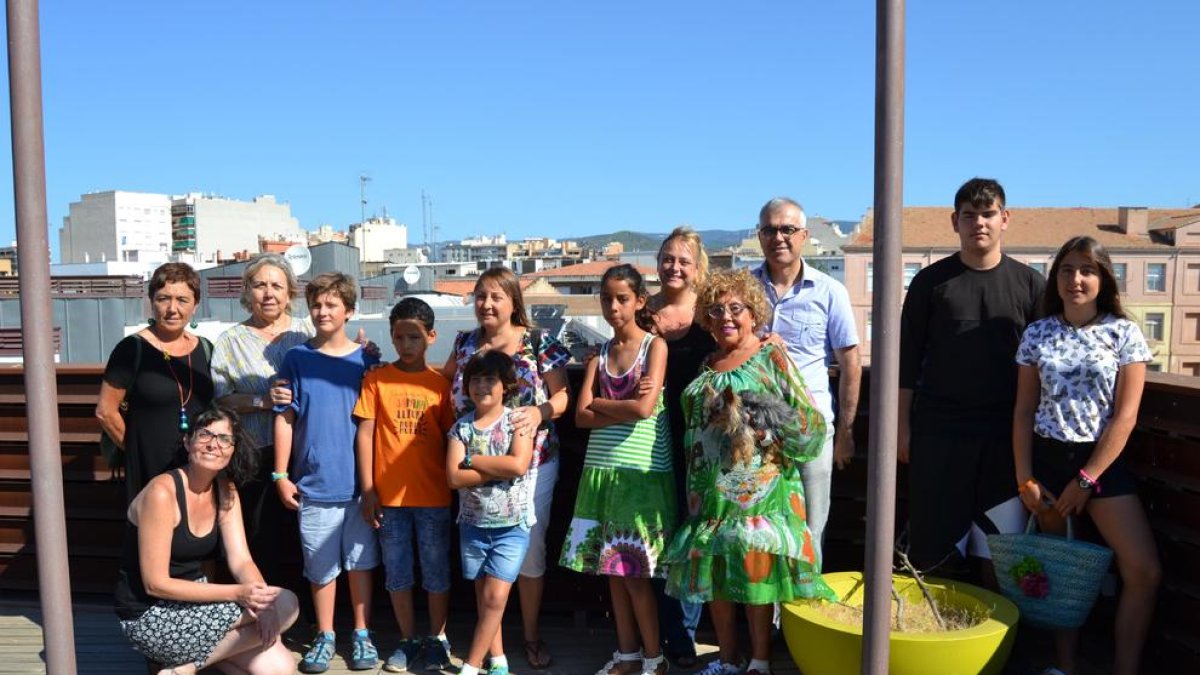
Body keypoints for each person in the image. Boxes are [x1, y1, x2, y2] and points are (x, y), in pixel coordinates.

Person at [665, 269, 834, 675]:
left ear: (752, 312)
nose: (726, 316)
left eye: (736, 308)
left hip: (761, 491)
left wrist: (766, 423)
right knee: (717, 574)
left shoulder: (770, 355)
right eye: (716, 309)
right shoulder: (707, 364)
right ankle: (726, 658)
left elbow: (807, 419)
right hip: (710, 493)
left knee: (756, 572)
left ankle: (759, 660)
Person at [1013, 236, 1160, 675]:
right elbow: (1022, 411)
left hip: (1101, 465)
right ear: (1055, 277)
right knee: (1063, 576)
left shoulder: (1123, 333)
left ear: (1103, 278)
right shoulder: (1037, 333)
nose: (1075, 279)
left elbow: (1126, 416)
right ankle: (1066, 667)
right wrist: (1025, 478)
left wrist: (1086, 480)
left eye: (1087, 270)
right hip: (1048, 462)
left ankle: (1124, 668)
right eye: (1066, 270)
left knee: (1143, 571)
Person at [899, 178, 1045, 575]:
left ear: (1005, 218)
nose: (978, 222)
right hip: (938, 432)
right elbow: (907, 360)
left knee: (1002, 553)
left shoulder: (1031, 285)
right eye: (969, 215)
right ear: (955, 222)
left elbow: (1046, 364)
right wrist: (902, 429)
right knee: (934, 547)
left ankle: (998, 635)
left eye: (988, 214)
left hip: (1005, 437)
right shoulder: (930, 283)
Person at [442, 267, 571, 670]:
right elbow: (440, 381)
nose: (487, 304)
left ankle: (530, 636)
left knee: (529, 555)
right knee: (482, 556)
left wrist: (540, 411)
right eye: (481, 296)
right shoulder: (464, 344)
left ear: (514, 301)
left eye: (497, 296)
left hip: (530, 465)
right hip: (474, 467)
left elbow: (563, 394)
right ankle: (494, 650)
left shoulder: (538, 342)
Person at [115, 406, 299, 675]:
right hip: (149, 615)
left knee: (278, 668)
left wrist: (261, 601)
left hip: (197, 604)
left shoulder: (226, 490)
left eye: (224, 439)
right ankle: (181, 667)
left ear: (233, 449)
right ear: (187, 441)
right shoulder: (162, 493)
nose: (214, 445)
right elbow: (155, 584)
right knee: (287, 602)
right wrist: (239, 594)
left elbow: (241, 560)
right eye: (205, 435)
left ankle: (186, 666)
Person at [562, 265, 675, 675]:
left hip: (641, 475)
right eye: (607, 298)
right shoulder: (600, 356)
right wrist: (622, 407)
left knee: (636, 574)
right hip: (602, 471)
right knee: (612, 569)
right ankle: (628, 654)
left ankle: (653, 656)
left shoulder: (654, 348)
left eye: (622, 298)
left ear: (639, 301)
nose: (613, 306)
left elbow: (644, 411)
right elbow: (579, 417)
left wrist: (603, 406)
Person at [273, 272, 382, 674]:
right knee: (320, 568)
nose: (322, 311)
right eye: (317, 304)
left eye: (332, 304)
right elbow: (285, 418)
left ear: (349, 311)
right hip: (314, 485)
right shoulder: (296, 359)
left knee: (360, 563)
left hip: (361, 487)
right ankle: (325, 635)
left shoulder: (367, 360)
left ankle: (361, 632)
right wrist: (280, 475)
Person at [751, 198, 860, 563]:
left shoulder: (830, 291)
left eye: (787, 230)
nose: (778, 237)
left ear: (804, 236)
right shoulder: (744, 289)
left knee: (812, 527)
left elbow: (850, 362)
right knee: (759, 528)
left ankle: (800, 615)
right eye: (770, 230)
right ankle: (767, 618)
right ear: (759, 235)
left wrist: (845, 432)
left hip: (811, 429)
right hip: (753, 432)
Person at [354, 298, 456, 673]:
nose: (406, 344)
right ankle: (408, 638)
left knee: (436, 572)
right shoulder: (377, 379)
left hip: (434, 497)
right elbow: (365, 435)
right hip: (389, 499)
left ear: (431, 337)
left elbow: (452, 437)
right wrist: (368, 489)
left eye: (414, 336)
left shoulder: (440, 385)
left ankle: (437, 639)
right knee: (397, 572)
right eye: (399, 337)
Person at [211, 252, 313, 584]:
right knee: (260, 537)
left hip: (305, 453)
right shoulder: (230, 341)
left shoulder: (308, 332)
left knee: (305, 537)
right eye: (259, 285)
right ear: (247, 292)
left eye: (276, 286)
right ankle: (261, 615)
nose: (268, 293)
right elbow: (221, 398)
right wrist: (262, 400)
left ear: (289, 293)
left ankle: (308, 618)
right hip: (254, 454)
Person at [446, 351, 537, 675]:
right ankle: (497, 658)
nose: (482, 385)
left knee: (496, 597)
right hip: (472, 525)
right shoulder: (461, 428)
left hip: (512, 526)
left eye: (490, 379)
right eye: (476, 379)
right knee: (485, 598)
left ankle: (470, 665)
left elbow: (518, 464)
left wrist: (472, 461)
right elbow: (454, 478)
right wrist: (496, 469)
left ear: (506, 386)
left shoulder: (518, 421)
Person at [646, 227, 712, 668]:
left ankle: (683, 636)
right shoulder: (641, 310)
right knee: (656, 534)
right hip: (649, 438)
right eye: (668, 258)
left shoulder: (709, 311)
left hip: (700, 440)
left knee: (692, 537)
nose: (675, 266)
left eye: (684, 260)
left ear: (697, 267)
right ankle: (660, 634)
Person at [97, 262, 215, 503]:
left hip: (199, 467)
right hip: (149, 469)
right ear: (151, 302)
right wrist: (135, 452)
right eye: (163, 299)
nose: (172, 308)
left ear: (196, 305)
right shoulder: (131, 349)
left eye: (182, 300)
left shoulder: (206, 348)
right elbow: (105, 411)